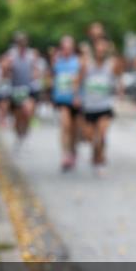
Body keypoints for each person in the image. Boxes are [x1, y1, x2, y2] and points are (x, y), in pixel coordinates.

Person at [75, 37, 122, 176]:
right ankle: (95, 154)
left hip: (105, 106)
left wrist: (119, 90)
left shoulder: (111, 64)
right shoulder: (86, 65)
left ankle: (99, 161)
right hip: (89, 106)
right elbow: (78, 81)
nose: (100, 50)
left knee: (101, 134)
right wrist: (76, 96)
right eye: (98, 48)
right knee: (90, 137)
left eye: (103, 48)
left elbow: (119, 77)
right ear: (94, 50)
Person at [2, 32, 41, 149]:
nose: (22, 44)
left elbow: (36, 70)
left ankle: (25, 136)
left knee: (28, 113)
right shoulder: (11, 55)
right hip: (16, 89)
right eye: (20, 42)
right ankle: (19, 137)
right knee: (18, 117)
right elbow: (5, 72)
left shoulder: (31, 55)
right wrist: (7, 68)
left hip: (29, 89)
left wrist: (35, 74)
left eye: (24, 41)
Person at [51, 35, 81, 171]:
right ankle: (65, 154)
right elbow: (52, 79)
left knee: (74, 130)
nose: (66, 50)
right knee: (65, 126)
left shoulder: (79, 62)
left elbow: (82, 80)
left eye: (69, 48)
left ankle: (73, 151)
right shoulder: (57, 62)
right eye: (64, 48)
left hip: (76, 101)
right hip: (62, 100)